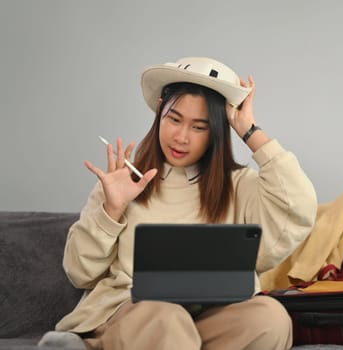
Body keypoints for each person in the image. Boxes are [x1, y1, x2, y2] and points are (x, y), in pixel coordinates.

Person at [52, 56, 318, 350]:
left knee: (271, 319)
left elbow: (299, 206)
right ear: (159, 115)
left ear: (216, 132)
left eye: (198, 127)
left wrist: (250, 130)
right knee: (167, 320)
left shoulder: (240, 185)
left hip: (208, 318)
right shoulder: (123, 181)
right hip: (136, 313)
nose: (180, 137)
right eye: (174, 119)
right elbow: (79, 272)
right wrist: (111, 210)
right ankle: (94, 341)